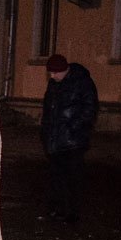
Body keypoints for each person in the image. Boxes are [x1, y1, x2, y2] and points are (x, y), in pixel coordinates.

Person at [40, 53, 98, 224]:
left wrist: (74, 127)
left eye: (55, 73)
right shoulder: (53, 85)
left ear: (64, 70)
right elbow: (48, 110)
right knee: (57, 177)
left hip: (73, 141)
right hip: (56, 138)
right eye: (50, 73)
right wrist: (46, 132)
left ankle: (73, 212)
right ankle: (58, 209)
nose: (52, 76)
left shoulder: (81, 82)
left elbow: (90, 108)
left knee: (73, 177)